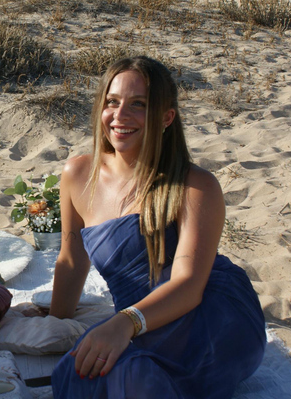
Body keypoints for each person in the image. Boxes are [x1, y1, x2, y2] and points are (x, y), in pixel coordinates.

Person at [50, 56, 266, 398]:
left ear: (166, 117)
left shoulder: (195, 186)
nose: (120, 117)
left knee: (133, 377)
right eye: (112, 102)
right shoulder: (77, 174)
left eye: (138, 105)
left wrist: (124, 323)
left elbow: (189, 285)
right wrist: (54, 320)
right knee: (75, 371)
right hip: (138, 316)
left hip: (207, 310)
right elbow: (72, 260)